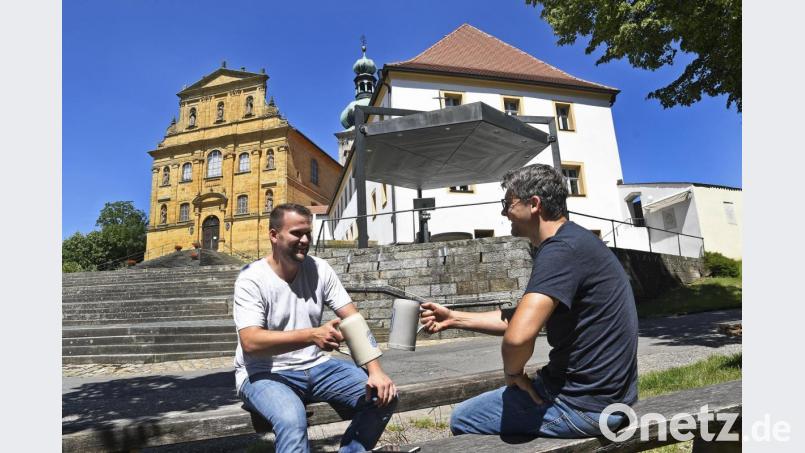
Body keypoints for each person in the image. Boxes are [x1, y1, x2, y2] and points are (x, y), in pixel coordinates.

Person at [420, 164, 638, 438]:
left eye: (507, 204)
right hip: (613, 400)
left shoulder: (559, 250)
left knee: (463, 418)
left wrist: (513, 374)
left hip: (581, 406)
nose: (504, 213)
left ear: (534, 204)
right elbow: (521, 319)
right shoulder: (576, 240)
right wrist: (454, 318)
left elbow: (518, 337)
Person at [234, 203, 398, 453]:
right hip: (263, 372)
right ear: (274, 235)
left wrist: (376, 371)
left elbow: (353, 319)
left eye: (308, 233)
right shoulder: (251, 278)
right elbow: (251, 342)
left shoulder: (320, 269)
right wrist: (312, 335)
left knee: (383, 395)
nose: (304, 240)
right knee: (292, 419)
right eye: (296, 233)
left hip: (317, 367)